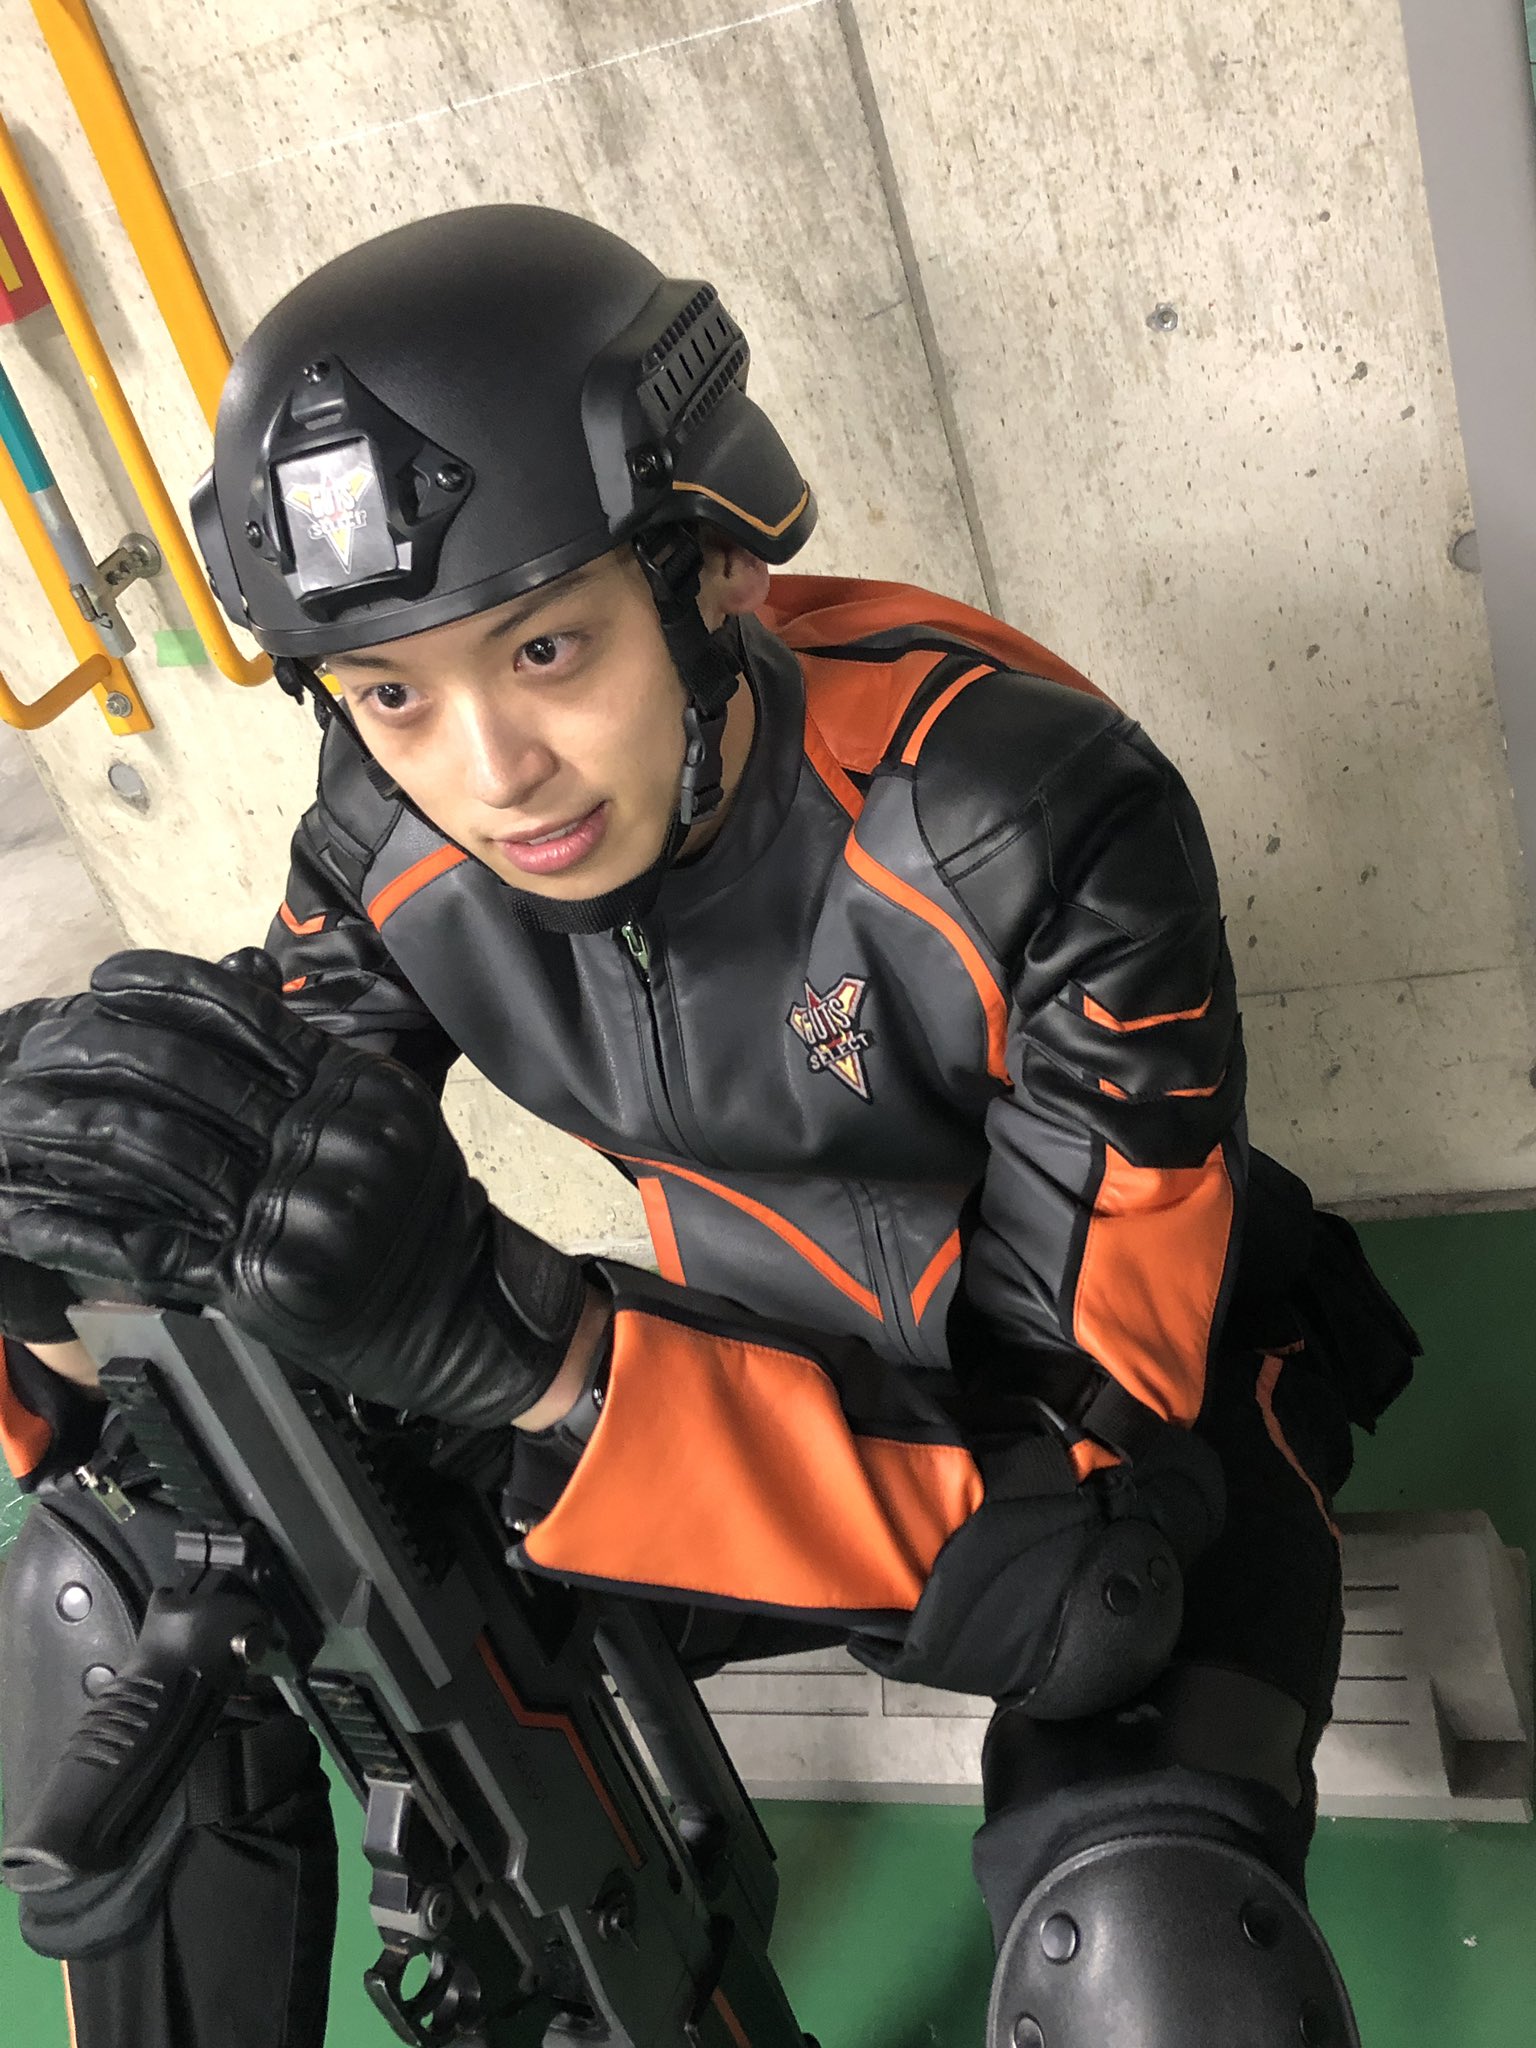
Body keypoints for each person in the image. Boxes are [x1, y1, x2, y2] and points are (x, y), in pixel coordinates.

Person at [0, 204, 1419, 2048]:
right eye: (393, 692)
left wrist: (543, 1361)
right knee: (129, 1570)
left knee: (1146, 1937)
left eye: (546, 650)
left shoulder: (1025, 817)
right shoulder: (389, 832)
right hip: (753, 1376)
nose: (489, 776)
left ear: (713, 569)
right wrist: (56, 1298)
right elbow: (261, 1223)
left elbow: (1076, 1519)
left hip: (1128, 1425)